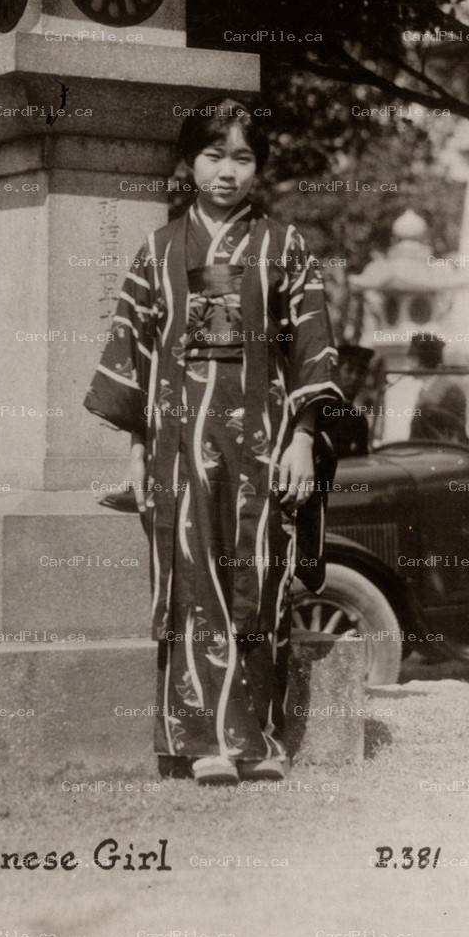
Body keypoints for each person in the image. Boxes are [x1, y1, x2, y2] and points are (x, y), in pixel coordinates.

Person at [85, 96, 342, 786]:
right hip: (178, 444)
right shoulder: (158, 251)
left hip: (263, 443)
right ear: (188, 162)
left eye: (243, 158)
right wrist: (136, 452)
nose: (228, 171)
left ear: (258, 168)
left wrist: (303, 439)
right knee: (191, 578)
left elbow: (313, 346)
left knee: (258, 576)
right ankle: (202, 742)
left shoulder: (285, 247)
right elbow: (134, 355)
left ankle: (258, 740)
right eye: (213, 155)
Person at [407, 332, 468, 444]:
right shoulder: (427, 388)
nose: (408, 365)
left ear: (421, 361)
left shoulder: (450, 391)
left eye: (412, 359)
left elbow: (455, 437)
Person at [318, 344, 375, 459]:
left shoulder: (359, 421)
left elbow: (362, 463)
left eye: (360, 373)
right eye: (349, 370)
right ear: (336, 373)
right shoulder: (320, 414)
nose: (354, 378)